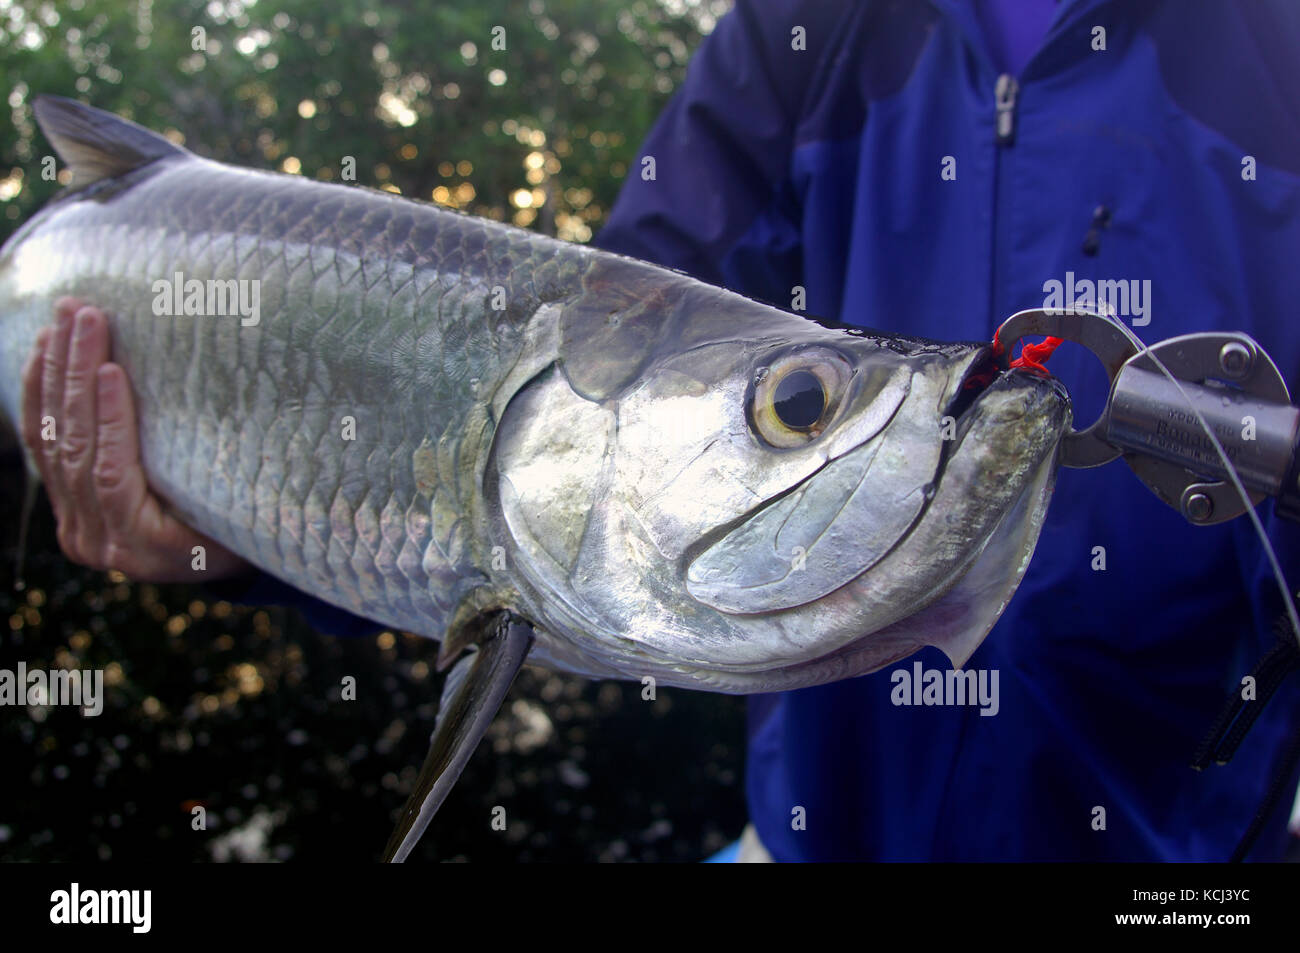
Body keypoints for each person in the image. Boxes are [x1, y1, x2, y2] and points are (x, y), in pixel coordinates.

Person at [23, 0, 1300, 860]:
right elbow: (582, 447)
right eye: (793, 407)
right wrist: (230, 546)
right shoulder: (796, 36)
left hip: (1184, 854)